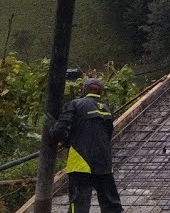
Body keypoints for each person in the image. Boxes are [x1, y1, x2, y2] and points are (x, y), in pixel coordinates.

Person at [51, 77, 123, 213]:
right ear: (101, 92)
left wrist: (59, 136)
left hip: (80, 161)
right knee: (111, 205)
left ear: (84, 90)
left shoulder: (75, 104)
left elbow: (59, 131)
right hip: (104, 162)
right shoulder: (107, 108)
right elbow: (108, 134)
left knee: (79, 205)